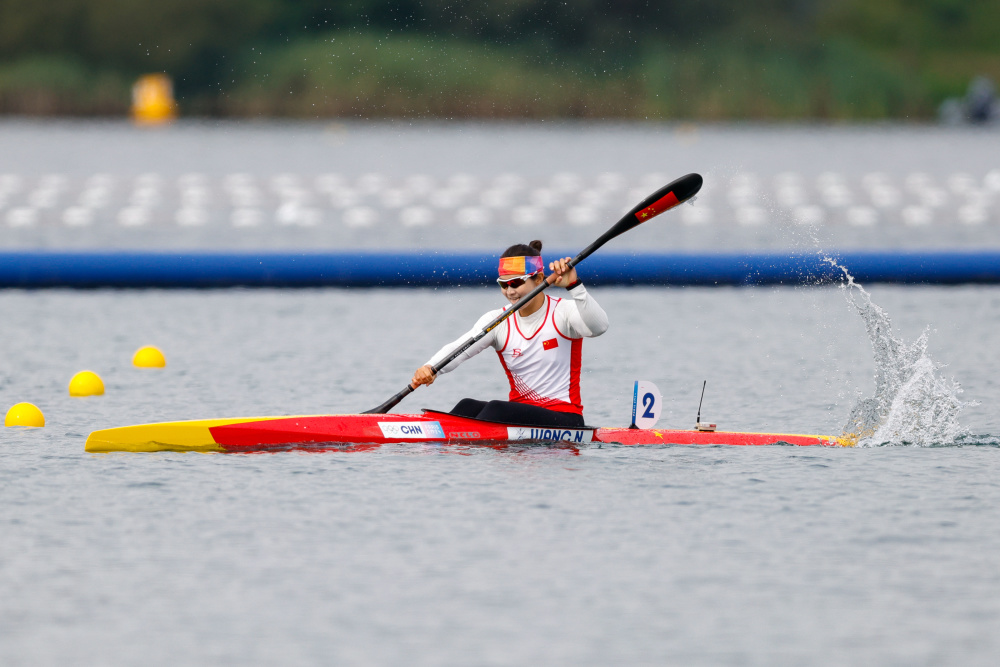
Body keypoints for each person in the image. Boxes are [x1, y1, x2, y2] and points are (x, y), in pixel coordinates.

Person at [411, 240, 609, 427]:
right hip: (519, 416)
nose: (510, 291)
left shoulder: (564, 312)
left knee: (496, 408)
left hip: (565, 418)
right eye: (503, 285)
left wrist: (575, 286)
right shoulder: (499, 320)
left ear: (539, 279)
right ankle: (438, 440)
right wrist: (432, 367)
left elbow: (599, 327)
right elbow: (460, 347)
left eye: (515, 283)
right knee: (467, 406)